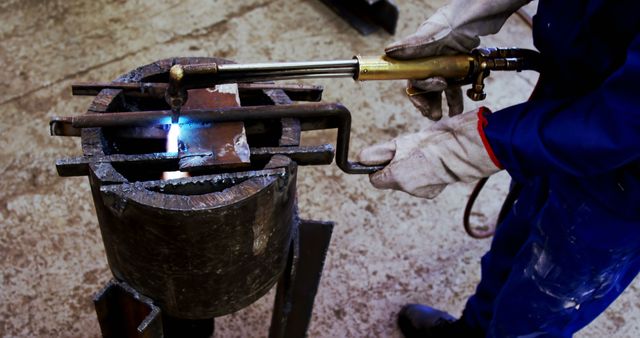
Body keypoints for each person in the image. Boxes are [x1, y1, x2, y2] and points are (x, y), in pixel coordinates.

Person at [357, 0, 640, 337]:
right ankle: (473, 330)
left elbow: (623, 123)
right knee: (512, 240)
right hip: (568, 94)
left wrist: (478, 145)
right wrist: (474, 12)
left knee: (542, 298)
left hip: (624, 182)